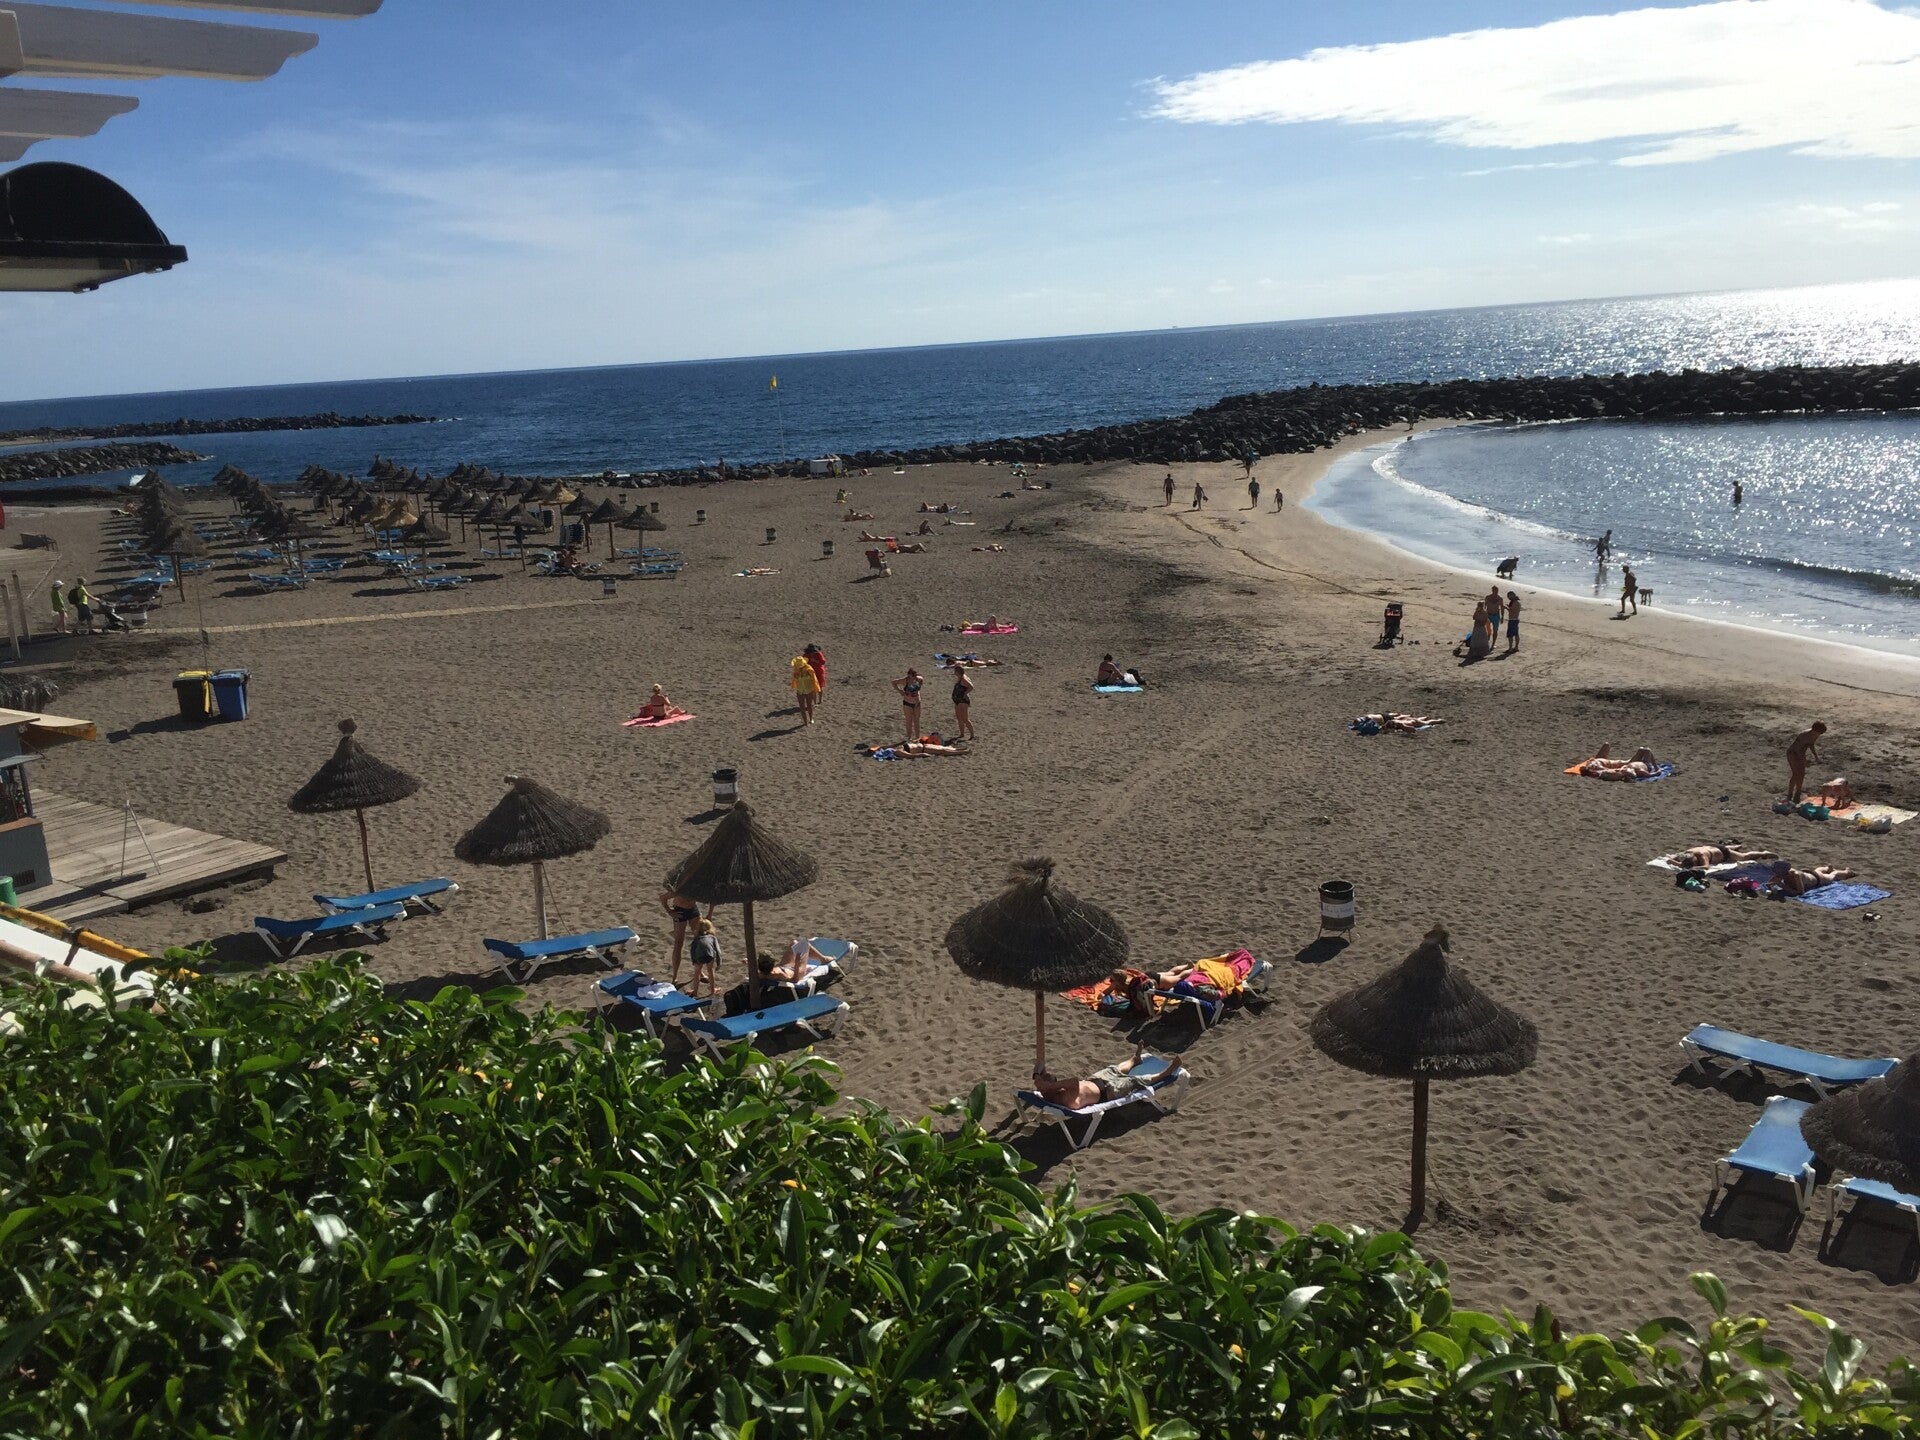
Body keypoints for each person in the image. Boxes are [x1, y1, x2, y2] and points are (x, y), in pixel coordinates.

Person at [1029, 1045, 1182, 1111]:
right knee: (1136, 1081)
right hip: (1109, 1091)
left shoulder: (1050, 1091)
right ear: (1050, 1087)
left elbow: (1039, 1074)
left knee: (1114, 1069)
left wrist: (1037, 1076)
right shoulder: (1065, 1098)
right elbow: (1074, 1081)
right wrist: (1049, 1085)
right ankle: (1166, 1073)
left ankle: (1134, 1060)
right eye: (1050, 1078)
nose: (1049, 1075)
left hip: (1095, 1080)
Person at [660, 890, 703, 982]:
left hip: (693, 909)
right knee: (679, 943)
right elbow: (663, 898)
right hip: (680, 910)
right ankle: (675, 975)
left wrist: (710, 913)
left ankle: (700, 971)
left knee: (699, 940)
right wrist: (669, 911)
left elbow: (712, 896)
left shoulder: (697, 886)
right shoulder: (681, 888)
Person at [1765, 860, 1856, 897]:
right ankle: (1827, 869)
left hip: (1818, 879)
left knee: (1832, 876)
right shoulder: (1780, 874)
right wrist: (1770, 884)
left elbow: (1800, 892)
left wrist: (1782, 885)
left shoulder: (1796, 875)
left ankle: (1847, 872)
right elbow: (1769, 883)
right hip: (1808, 874)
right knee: (1818, 871)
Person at [1786, 721, 1826, 802]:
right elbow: (1797, 750)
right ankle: (1790, 794)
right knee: (1796, 774)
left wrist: (1816, 757)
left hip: (1800, 754)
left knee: (1801, 774)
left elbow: (1811, 745)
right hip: (1793, 754)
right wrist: (1804, 761)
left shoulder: (1814, 735)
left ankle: (1797, 793)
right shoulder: (1804, 735)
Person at [1576, 744, 1662, 781]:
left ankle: (1654, 766)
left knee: (1606, 744)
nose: (1593, 766)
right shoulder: (1598, 767)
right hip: (1627, 764)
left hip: (1625, 764)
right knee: (1643, 750)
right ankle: (1655, 766)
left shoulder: (1593, 762)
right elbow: (1649, 775)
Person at [1663, 843, 1778, 869]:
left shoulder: (1702, 856)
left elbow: (1705, 867)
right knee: (1728, 849)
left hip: (1723, 853)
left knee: (1743, 857)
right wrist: (1679, 863)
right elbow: (1670, 859)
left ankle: (1764, 853)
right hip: (1712, 847)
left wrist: (1693, 867)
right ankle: (1733, 847)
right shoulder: (1687, 853)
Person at [685, 918, 721, 999]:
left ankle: (695, 991)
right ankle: (712, 990)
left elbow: (692, 950)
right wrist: (719, 962)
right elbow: (718, 951)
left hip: (699, 956)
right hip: (710, 955)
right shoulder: (712, 938)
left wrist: (694, 960)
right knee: (711, 971)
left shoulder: (696, 939)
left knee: (697, 973)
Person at [893, 667, 923, 741]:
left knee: (916, 721)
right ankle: (908, 737)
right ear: (909, 675)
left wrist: (918, 691)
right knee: (909, 721)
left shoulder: (919, 679)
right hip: (907, 703)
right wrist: (900, 691)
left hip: (917, 703)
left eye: (915, 675)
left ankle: (917, 738)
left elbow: (921, 683)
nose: (914, 677)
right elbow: (893, 682)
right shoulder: (905, 680)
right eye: (913, 675)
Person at [790, 654, 820, 725]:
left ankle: (811, 718)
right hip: (800, 691)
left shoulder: (809, 670)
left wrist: (815, 689)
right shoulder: (796, 671)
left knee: (809, 706)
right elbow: (794, 681)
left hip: (809, 690)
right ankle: (805, 722)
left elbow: (814, 680)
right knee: (802, 707)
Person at [951, 666, 976, 740]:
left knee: (965, 718)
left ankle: (972, 735)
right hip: (957, 700)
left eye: (955, 671)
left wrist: (965, 694)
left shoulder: (964, 679)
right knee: (959, 718)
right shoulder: (960, 678)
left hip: (963, 700)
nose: (954, 672)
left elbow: (971, 687)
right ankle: (962, 734)